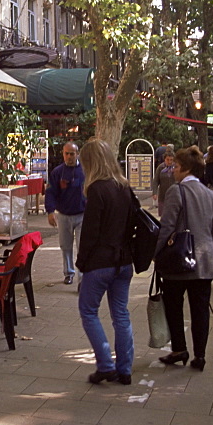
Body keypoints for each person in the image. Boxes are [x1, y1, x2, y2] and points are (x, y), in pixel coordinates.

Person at [75, 139, 135, 386]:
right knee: (120, 314)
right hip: (124, 260)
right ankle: (125, 368)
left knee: (88, 311)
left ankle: (106, 365)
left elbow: (90, 233)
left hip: (100, 262)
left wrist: (81, 262)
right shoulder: (124, 187)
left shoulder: (97, 190)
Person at [157, 146, 213, 372]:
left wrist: (156, 253)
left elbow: (167, 226)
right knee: (200, 310)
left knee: (174, 306)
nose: (172, 170)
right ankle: (200, 355)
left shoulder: (177, 191)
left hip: (179, 260)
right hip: (205, 261)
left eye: (175, 166)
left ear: (185, 169)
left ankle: (179, 349)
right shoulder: (210, 194)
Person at [45, 143, 85, 285]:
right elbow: (50, 193)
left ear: (77, 153)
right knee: (65, 245)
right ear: (63, 154)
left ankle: (82, 278)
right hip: (63, 215)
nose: (69, 157)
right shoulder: (57, 172)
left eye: (72, 154)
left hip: (82, 215)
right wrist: (50, 211)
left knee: (82, 247)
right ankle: (68, 272)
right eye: (66, 153)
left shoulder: (85, 171)